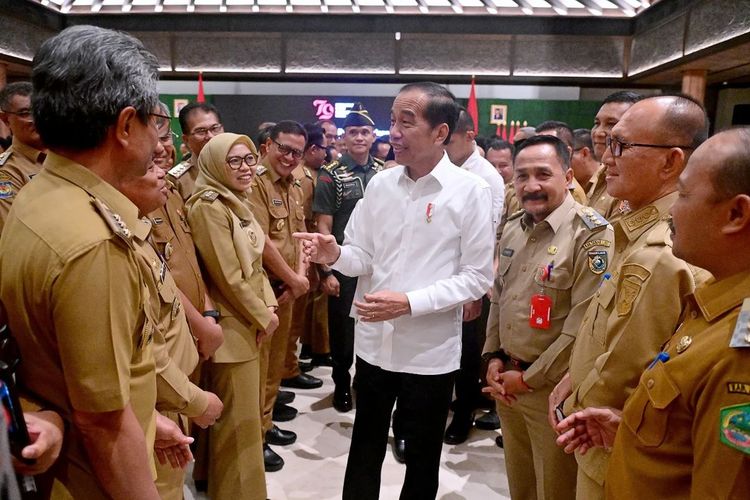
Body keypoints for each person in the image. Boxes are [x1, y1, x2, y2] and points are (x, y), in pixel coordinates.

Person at [296, 81, 494, 500]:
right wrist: (335, 254)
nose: (394, 133)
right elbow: (364, 256)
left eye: (407, 122)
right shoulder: (381, 185)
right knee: (364, 446)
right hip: (374, 345)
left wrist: (409, 303)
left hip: (429, 352)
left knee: (422, 456)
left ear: (440, 132)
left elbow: (477, 277)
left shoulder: (470, 191)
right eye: (392, 121)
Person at [0, 25, 165, 498]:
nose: (159, 138)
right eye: (154, 121)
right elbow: (103, 421)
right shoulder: (94, 241)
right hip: (93, 478)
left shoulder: (42, 192)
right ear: (126, 125)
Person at [555, 127, 750, 498]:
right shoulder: (715, 302)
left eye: (685, 195)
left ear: (736, 214)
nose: (672, 210)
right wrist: (630, 430)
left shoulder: (739, 353)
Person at [482, 134, 614, 500]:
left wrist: (528, 379)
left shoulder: (592, 234)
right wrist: (492, 356)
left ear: (568, 176)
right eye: (522, 176)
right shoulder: (514, 227)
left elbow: (583, 326)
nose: (531, 185)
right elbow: (500, 298)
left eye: (543, 174)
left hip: (551, 392)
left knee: (554, 490)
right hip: (507, 383)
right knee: (520, 486)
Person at [119, 151, 224, 500]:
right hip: (157, 397)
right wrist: (196, 401)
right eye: (149, 167)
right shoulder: (118, 243)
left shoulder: (139, 226)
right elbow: (143, 348)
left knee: (173, 483)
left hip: (172, 389)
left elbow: (186, 269)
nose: (162, 172)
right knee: (161, 486)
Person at [187, 133, 279, 499]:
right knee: (240, 426)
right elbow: (227, 277)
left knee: (239, 418)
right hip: (232, 324)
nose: (246, 168)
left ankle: (215, 484)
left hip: (248, 319)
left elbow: (255, 266)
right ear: (214, 165)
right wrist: (264, 316)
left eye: (249, 158)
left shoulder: (236, 200)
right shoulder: (208, 206)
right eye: (235, 161)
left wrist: (269, 305)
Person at [248, 120, 313, 471]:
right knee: (259, 369)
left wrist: (299, 279)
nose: (290, 158)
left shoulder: (293, 185)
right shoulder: (254, 183)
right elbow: (260, 240)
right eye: (284, 149)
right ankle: (254, 438)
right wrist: (292, 279)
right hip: (265, 292)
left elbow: (299, 235)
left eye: (297, 153)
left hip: (287, 291)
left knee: (274, 368)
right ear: (267, 146)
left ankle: (266, 422)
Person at [312, 103, 383, 414]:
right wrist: (326, 271)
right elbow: (323, 225)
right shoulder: (331, 175)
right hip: (343, 261)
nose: (359, 137)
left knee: (375, 323)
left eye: (365, 132)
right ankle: (341, 382)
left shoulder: (385, 172)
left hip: (379, 264)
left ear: (373, 136)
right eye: (353, 132)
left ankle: (366, 382)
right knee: (342, 327)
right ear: (344, 137)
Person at [443, 107, 505, 444]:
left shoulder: (486, 177)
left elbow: (485, 239)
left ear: (469, 136)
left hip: (468, 277)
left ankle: (465, 412)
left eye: (449, 140)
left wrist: (474, 290)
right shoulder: (443, 166)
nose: (444, 146)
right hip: (441, 275)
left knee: (468, 351)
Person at [291, 124, 331, 370]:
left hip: (301, 252)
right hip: (302, 252)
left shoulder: (308, 174)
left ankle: (291, 363)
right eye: (324, 148)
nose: (326, 153)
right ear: (313, 149)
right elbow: (307, 221)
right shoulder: (304, 178)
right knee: (296, 315)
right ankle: (289, 367)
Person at [586, 91, 643, 222]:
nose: (598, 132)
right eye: (597, 123)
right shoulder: (601, 174)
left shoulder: (633, 180)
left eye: (611, 124)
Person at [0, 82, 47, 235]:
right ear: (6, 119)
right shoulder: (7, 172)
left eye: (39, 110)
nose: (36, 119)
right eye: (25, 113)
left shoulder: (66, 155)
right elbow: (13, 235)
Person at [170, 102, 225, 201]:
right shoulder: (177, 181)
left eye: (215, 128)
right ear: (186, 140)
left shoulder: (241, 168)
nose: (210, 136)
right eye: (201, 131)